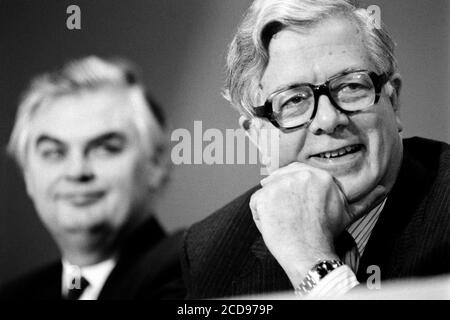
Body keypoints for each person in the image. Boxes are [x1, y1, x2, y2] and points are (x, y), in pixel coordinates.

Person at [182, 0, 450, 298]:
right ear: (258, 136)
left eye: (351, 86)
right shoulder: (211, 251)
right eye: (294, 100)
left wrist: (311, 262)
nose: (328, 119)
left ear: (393, 100)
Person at [0, 56, 184, 300]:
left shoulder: (193, 280)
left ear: (156, 164)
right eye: (54, 152)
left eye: (105, 148)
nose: (76, 171)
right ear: (27, 173)